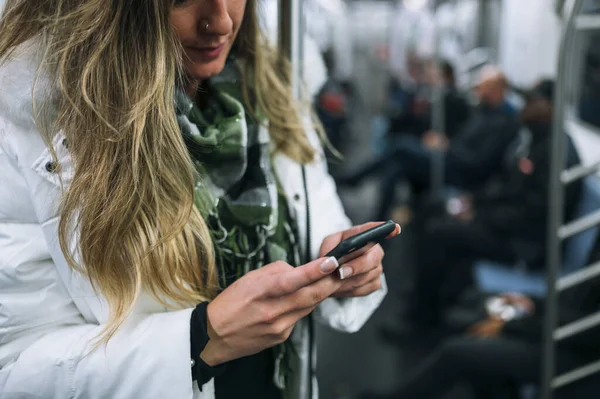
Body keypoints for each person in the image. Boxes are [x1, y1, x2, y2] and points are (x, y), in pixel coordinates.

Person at [0, 1, 398, 398]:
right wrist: (197, 341)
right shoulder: (32, 125)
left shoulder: (269, 96)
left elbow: (320, 225)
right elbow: (14, 369)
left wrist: (345, 268)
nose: (221, 22)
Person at [406, 80, 582, 328]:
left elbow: (535, 215)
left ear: (549, 106)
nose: (525, 106)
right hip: (511, 230)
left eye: (532, 102)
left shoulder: (555, 153)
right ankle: (430, 296)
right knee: (438, 213)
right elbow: (509, 189)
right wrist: (475, 203)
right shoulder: (537, 139)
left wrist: (480, 217)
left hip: (525, 247)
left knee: (440, 233)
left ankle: (421, 317)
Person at [360, 271, 600, 399]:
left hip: (573, 357)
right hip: (554, 332)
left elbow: (585, 331)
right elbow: (575, 298)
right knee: (471, 303)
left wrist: (510, 326)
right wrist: (535, 304)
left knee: (456, 352)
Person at [342, 66, 520, 221]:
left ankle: (356, 180)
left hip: (460, 169)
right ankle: (380, 222)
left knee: (400, 147)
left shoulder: (504, 122)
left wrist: (449, 148)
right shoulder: (485, 112)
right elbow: (465, 140)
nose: (478, 90)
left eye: (484, 86)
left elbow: (479, 160)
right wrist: (446, 143)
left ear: (498, 89)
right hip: (452, 158)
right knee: (396, 168)